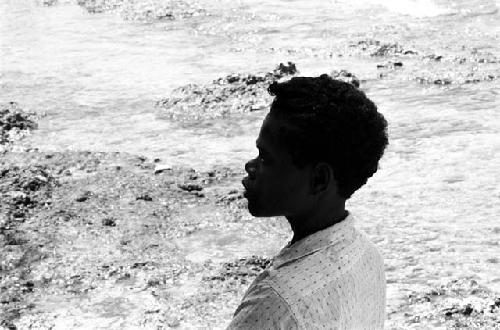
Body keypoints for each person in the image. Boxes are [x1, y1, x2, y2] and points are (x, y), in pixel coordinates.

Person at [227, 74, 389, 329]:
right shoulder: (367, 257)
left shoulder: (275, 302)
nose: (251, 166)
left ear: (318, 180)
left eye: (266, 158)